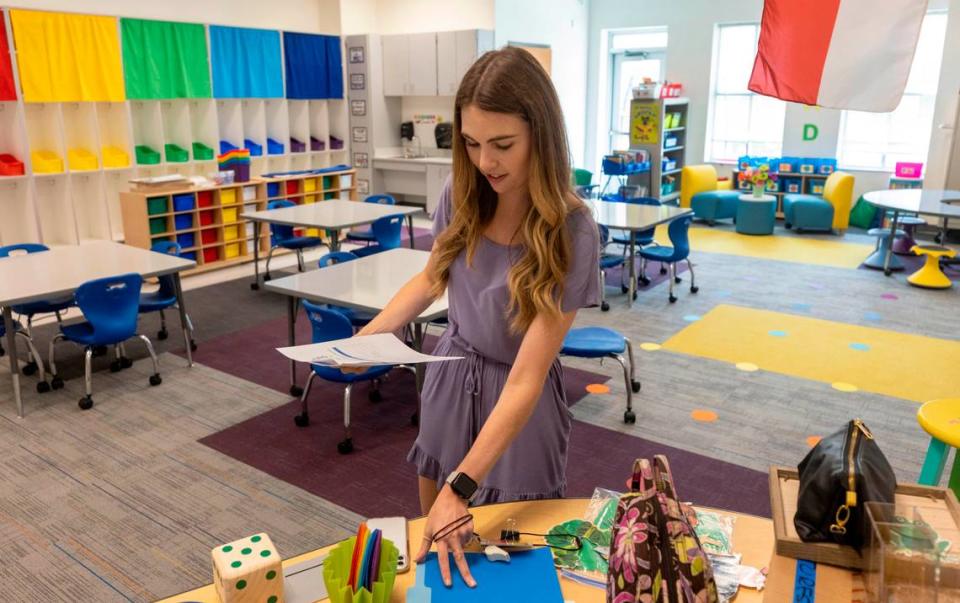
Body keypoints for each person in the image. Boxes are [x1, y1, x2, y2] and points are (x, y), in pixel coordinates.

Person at [354, 46, 599, 588]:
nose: (485, 161)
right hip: (450, 378)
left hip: (519, 403)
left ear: (542, 135)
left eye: (502, 145)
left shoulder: (573, 229)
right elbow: (429, 277)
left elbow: (527, 376)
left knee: (513, 563)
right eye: (471, 143)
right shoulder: (462, 193)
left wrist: (460, 487)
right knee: (436, 555)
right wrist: (369, 339)